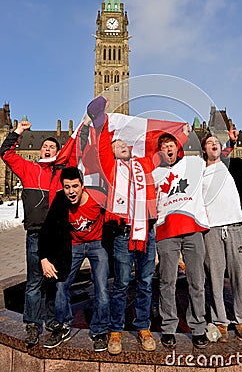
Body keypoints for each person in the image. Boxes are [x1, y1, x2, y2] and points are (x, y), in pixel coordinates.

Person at [0, 119, 75, 348]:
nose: (47, 148)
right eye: (45, 146)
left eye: (52, 146)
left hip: (57, 236)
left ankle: (52, 321)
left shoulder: (62, 174)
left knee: (53, 281)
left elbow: (76, 150)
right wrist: (18, 131)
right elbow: (5, 152)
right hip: (35, 234)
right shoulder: (29, 168)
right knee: (33, 282)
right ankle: (32, 324)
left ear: (58, 152)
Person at [97, 101, 158, 355]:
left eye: (125, 145)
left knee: (145, 282)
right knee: (121, 284)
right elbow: (102, 145)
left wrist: (178, 132)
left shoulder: (144, 164)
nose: (123, 147)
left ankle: (143, 327)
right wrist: (103, 119)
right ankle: (115, 330)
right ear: (112, 153)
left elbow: (157, 144)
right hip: (123, 234)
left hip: (148, 232)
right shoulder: (110, 168)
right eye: (118, 146)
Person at [152, 132, 218, 349]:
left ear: (177, 147)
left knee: (197, 281)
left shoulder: (194, 164)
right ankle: (169, 328)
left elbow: (216, 154)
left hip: (193, 229)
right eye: (164, 147)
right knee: (166, 282)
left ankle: (198, 327)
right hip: (166, 231)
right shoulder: (155, 173)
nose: (168, 149)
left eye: (171, 145)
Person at [39, 166, 110, 352]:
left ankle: (100, 330)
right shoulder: (61, 200)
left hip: (97, 244)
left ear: (82, 186)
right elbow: (47, 229)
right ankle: (63, 326)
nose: (71, 192)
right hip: (75, 246)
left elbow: (116, 214)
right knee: (61, 284)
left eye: (75, 186)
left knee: (101, 287)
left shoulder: (98, 197)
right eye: (67, 187)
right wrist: (44, 258)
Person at [201, 134, 242, 343]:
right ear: (203, 149)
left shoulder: (234, 165)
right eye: (209, 142)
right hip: (211, 230)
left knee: (240, 275)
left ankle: (241, 319)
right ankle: (220, 320)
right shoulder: (199, 172)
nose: (213, 144)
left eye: (216, 142)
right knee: (215, 276)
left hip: (235, 226)